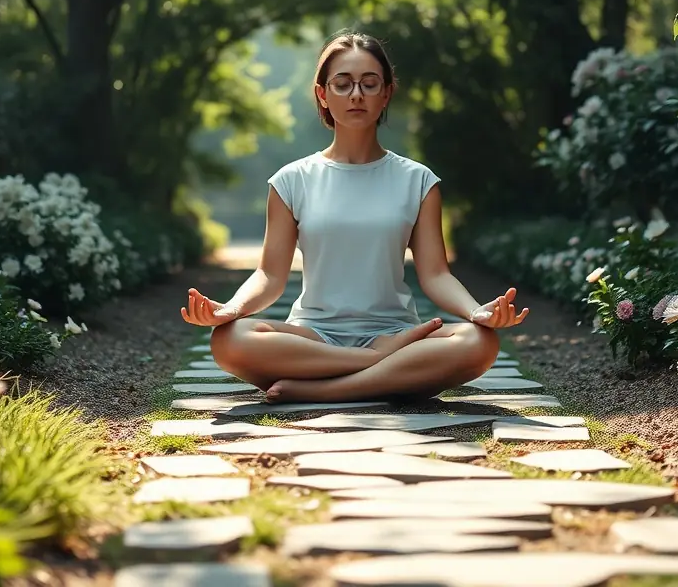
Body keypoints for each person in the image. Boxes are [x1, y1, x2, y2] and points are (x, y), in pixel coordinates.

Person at [182, 31, 529, 403]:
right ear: (323, 94)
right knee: (229, 340)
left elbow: (436, 274)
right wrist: (231, 308)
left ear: (387, 93)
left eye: (369, 83)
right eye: (343, 84)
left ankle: (330, 389)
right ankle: (383, 368)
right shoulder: (291, 180)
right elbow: (269, 275)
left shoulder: (418, 181)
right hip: (315, 337)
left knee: (479, 342)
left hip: (395, 331)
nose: (357, 95)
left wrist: (477, 312)